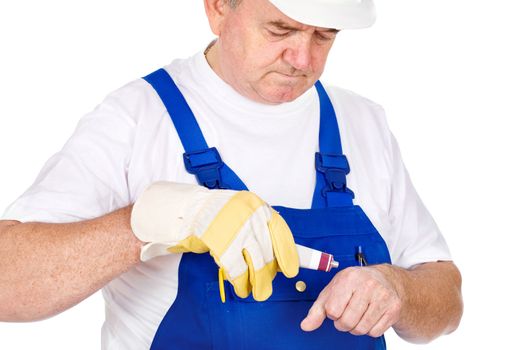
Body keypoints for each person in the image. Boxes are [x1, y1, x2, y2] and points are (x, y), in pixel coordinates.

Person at [0, 0, 463, 349]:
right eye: (280, 29)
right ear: (219, 7)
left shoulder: (361, 121)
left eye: (323, 36)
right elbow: (9, 283)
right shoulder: (136, 117)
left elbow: (446, 300)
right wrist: (155, 219)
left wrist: (398, 288)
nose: (302, 59)